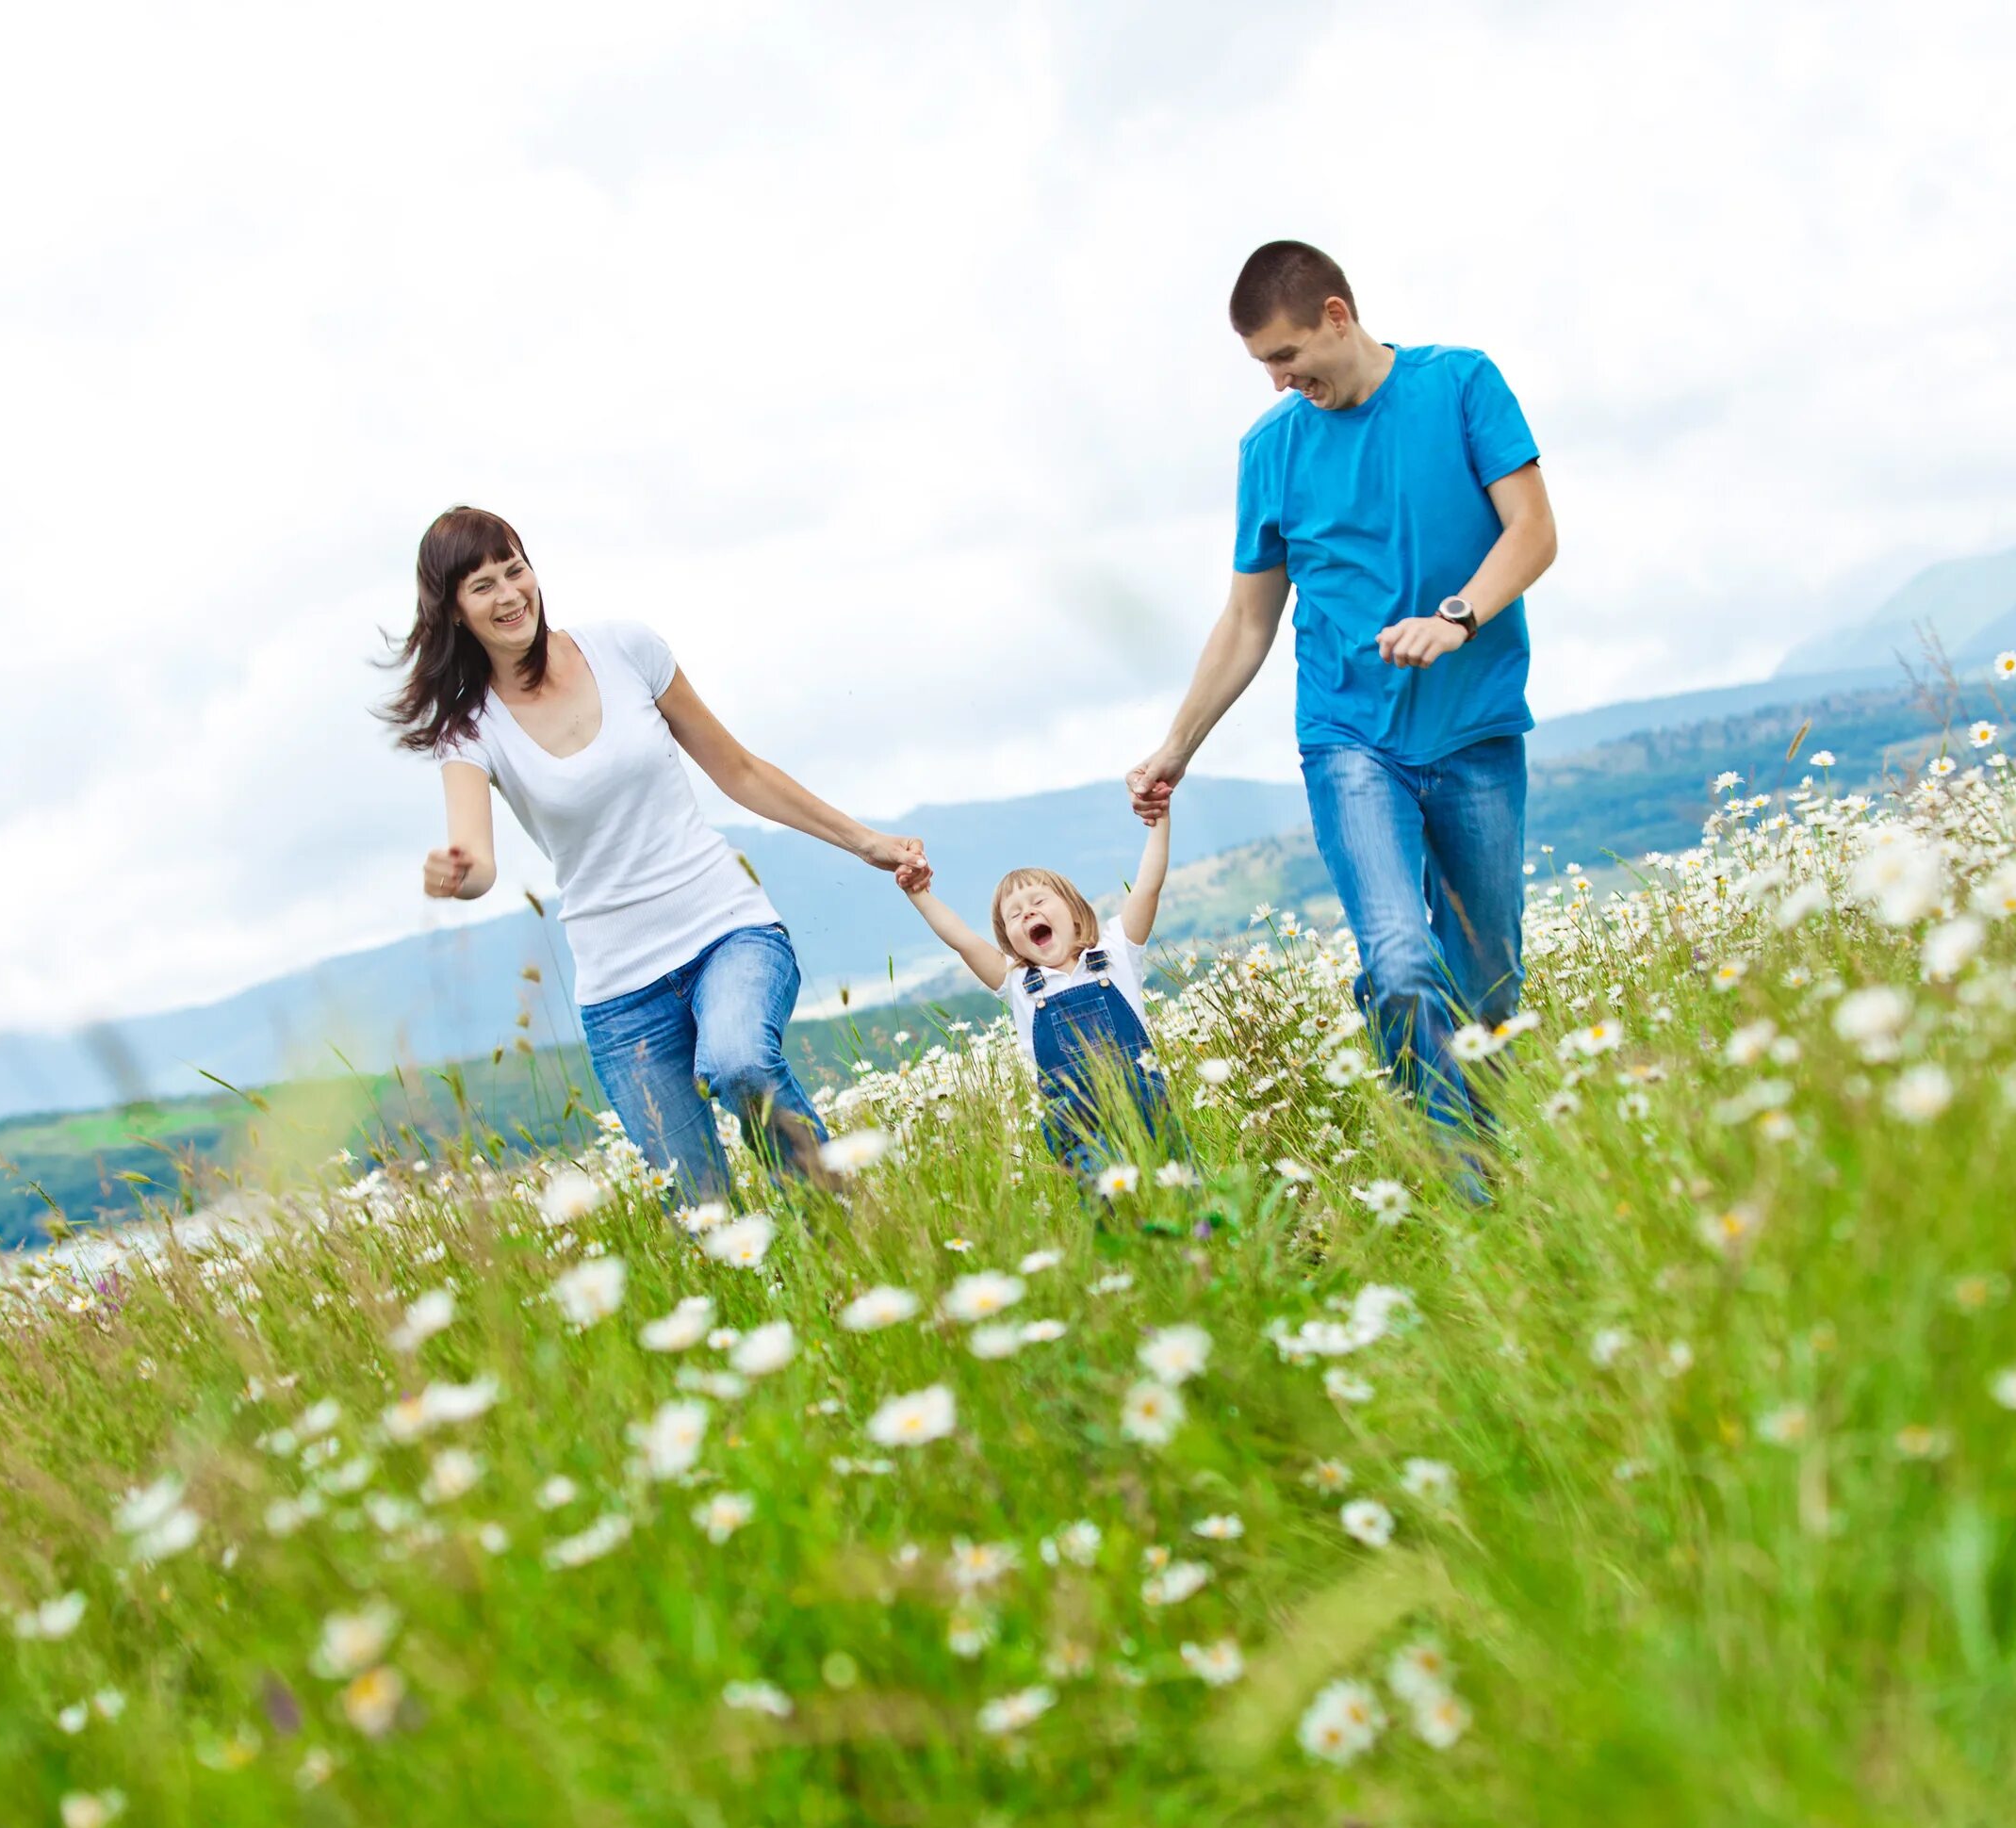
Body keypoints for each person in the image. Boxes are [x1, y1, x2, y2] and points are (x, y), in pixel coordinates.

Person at [1129, 241, 1557, 1178]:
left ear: (1336, 314)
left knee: (1488, 986)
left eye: (1286, 357)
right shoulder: (1271, 450)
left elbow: (1533, 531)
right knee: (1402, 962)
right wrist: (1177, 745)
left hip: (1477, 728)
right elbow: (1248, 619)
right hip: (1351, 737)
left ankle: (1483, 1146)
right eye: (1262, 368)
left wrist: (1457, 616)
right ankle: (1464, 1183)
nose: (1280, 383)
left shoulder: (1462, 385)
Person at [385, 505, 924, 1201]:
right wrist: (454, 873)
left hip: (727, 931)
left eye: (514, 569)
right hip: (621, 996)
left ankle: (846, 1226)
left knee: (740, 1064)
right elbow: (478, 861)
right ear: (455, 611)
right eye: (481, 585)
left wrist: (865, 842)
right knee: (702, 1209)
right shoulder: (471, 731)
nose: (509, 593)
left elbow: (740, 771)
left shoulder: (625, 650)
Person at [897, 811, 1173, 1174]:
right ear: (1008, 939)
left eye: (1039, 902)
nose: (1027, 913)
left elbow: (1148, 885)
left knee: (1178, 1193)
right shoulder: (1016, 983)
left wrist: (1160, 818)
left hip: (1148, 1110)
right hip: (1080, 1128)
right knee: (1112, 1210)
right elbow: (961, 940)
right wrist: (917, 893)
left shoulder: (1115, 954)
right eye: (1013, 915)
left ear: (1075, 911)